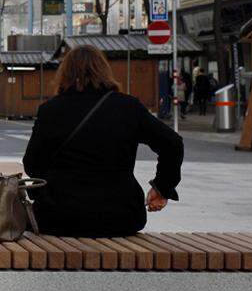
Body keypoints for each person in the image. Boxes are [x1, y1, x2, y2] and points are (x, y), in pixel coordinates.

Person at [23, 45, 184, 237]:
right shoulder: (128, 107)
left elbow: (32, 163)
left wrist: (48, 191)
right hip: (120, 216)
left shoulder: (50, 110)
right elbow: (172, 144)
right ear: (105, 71)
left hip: (59, 216)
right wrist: (162, 187)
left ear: (64, 73)